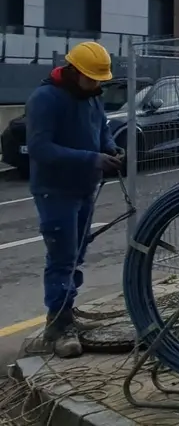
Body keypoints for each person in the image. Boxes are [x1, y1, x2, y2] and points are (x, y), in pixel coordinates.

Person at [25, 41, 123, 357]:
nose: (97, 84)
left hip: (83, 189)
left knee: (76, 254)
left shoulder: (91, 96)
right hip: (56, 191)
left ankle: (67, 311)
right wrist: (91, 159)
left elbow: (102, 129)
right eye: (92, 78)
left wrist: (109, 148)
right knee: (62, 258)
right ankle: (58, 325)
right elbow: (41, 149)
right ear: (74, 72)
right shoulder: (45, 99)